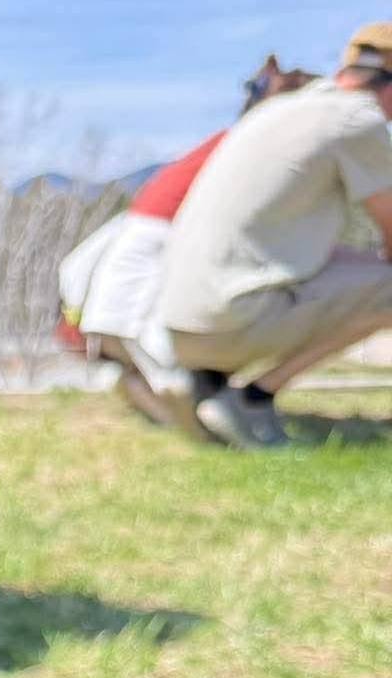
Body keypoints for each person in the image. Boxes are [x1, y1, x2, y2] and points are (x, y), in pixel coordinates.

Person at [155, 23, 392, 447]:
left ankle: (206, 381)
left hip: (178, 326)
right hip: (230, 322)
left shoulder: (278, 110)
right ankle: (253, 397)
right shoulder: (358, 118)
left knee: (351, 264)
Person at [59, 57, 315, 425]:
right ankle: (174, 403)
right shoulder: (243, 144)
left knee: (155, 349)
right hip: (157, 245)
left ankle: (158, 393)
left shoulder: (228, 141)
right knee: (167, 365)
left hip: (145, 243)